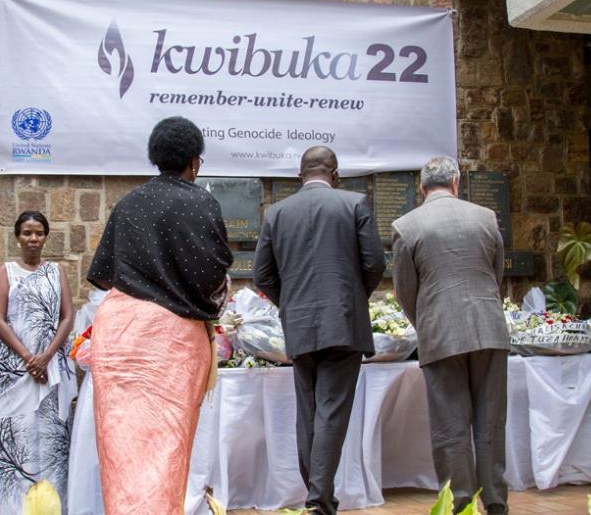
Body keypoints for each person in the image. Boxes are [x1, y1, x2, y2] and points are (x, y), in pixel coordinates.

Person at [86, 116, 233, 514]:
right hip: (171, 342)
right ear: (195, 162)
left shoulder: (129, 202)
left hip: (117, 335)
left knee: (121, 450)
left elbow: (102, 274)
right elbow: (213, 274)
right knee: (166, 449)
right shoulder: (201, 202)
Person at [253, 145, 385, 515]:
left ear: (300, 176)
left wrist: (291, 303)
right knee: (330, 411)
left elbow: (262, 274)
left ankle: (319, 498)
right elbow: (374, 263)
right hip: (343, 322)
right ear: (336, 174)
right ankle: (318, 501)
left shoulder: (276, 213)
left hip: (299, 325)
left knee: (308, 410)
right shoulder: (355, 203)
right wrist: (352, 298)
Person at [390, 156, 510, 515]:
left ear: (421, 188)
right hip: (489, 328)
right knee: (491, 422)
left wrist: (425, 321)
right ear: (456, 183)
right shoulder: (486, 217)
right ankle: (496, 502)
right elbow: (496, 273)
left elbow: (405, 290)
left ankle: (460, 503)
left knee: (450, 425)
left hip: (440, 333)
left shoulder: (406, 226)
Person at [0, 210, 76, 514]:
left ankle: (51, 507)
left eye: (39, 232)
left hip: (49, 371)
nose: (33, 238)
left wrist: (47, 356)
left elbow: (67, 316)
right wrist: (29, 359)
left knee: (50, 441)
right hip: (16, 372)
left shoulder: (56, 272)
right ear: (17, 236)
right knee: (19, 438)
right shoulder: (7, 272)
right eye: (27, 232)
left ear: (45, 236)